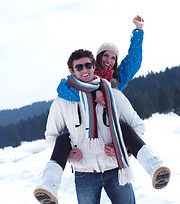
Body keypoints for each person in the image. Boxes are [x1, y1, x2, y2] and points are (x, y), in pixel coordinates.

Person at [34, 49, 170, 204]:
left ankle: (155, 167)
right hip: (84, 172)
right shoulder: (62, 103)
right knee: (63, 139)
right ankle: (49, 185)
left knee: (124, 128)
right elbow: (51, 135)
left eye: (88, 65)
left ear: (94, 67)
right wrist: (68, 156)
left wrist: (122, 148)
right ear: (71, 71)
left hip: (115, 168)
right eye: (79, 67)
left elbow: (137, 126)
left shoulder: (113, 95)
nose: (84, 70)